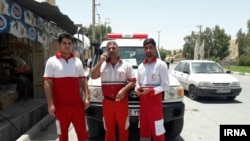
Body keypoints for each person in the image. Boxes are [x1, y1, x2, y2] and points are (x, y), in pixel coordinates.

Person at [43, 33, 90, 141]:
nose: (67, 45)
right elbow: (47, 83)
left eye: (69, 43)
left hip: (78, 106)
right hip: (60, 107)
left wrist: (87, 97)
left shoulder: (77, 62)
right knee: (62, 136)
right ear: (59, 45)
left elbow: (83, 81)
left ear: (72, 45)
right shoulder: (52, 61)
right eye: (64, 43)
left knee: (83, 135)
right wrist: (50, 104)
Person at [91, 41, 136, 141]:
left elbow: (133, 80)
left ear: (118, 50)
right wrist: (100, 61)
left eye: (113, 48)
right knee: (109, 129)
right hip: (107, 103)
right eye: (109, 49)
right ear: (106, 51)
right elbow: (93, 76)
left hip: (122, 103)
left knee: (123, 128)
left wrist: (123, 90)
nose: (111, 50)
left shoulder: (126, 65)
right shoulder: (102, 65)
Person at [134, 38, 170, 141]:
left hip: (155, 105)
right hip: (143, 104)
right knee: (144, 130)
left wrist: (151, 91)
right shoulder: (140, 66)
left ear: (154, 48)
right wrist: (136, 87)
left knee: (158, 131)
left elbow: (166, 85)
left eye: (150, 47)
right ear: (144, 50)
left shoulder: (161, 65)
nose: (148, 50)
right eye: (146, 48)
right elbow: (138, 82)